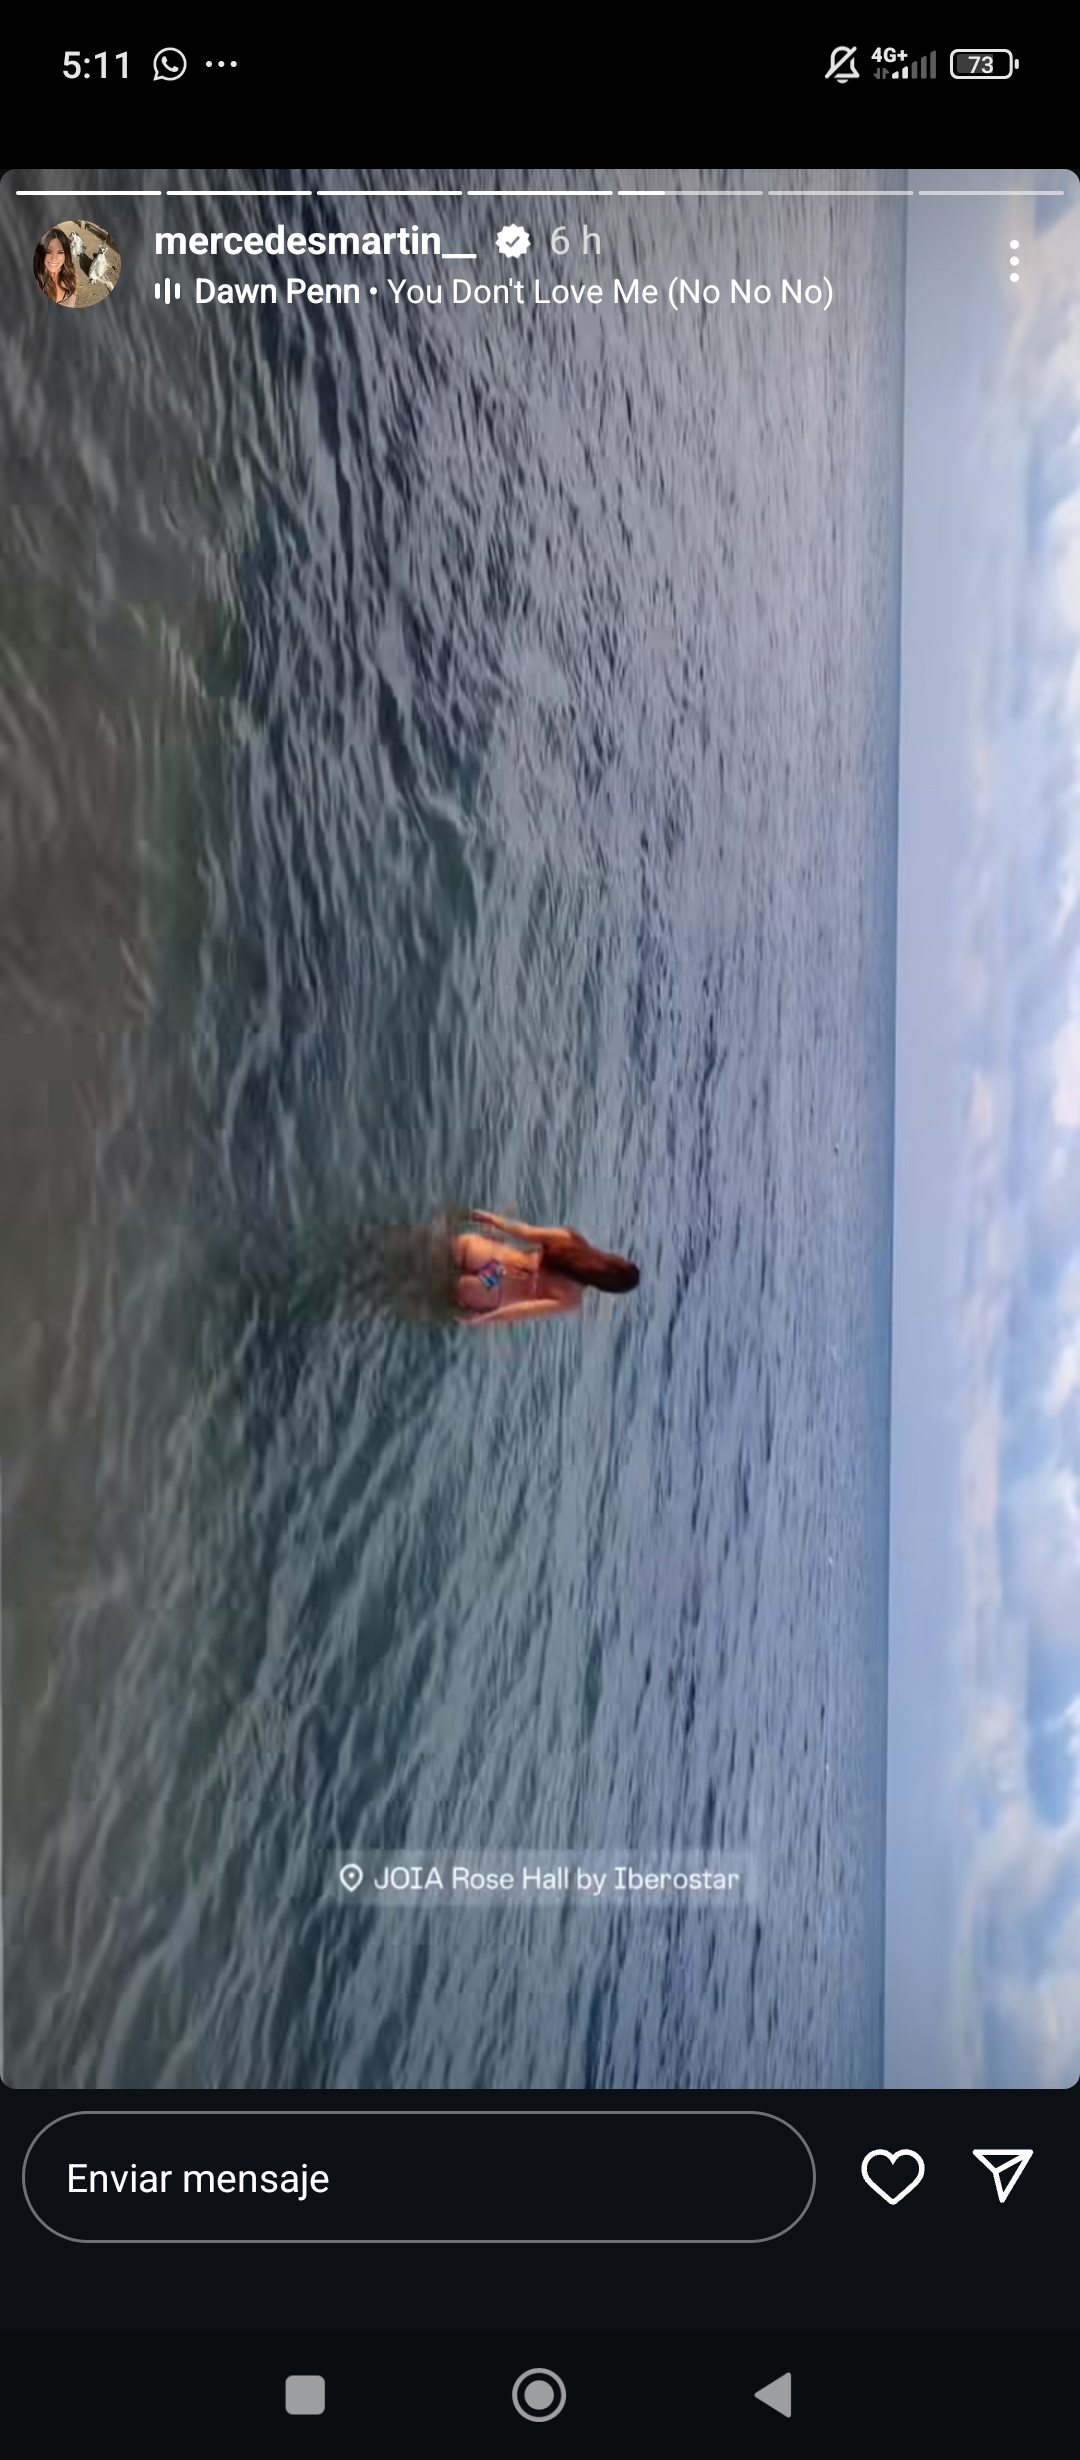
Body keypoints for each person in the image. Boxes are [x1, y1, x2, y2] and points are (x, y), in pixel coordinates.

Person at [452, 1209, 640, 1325]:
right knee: (450, 1292)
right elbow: (524, 1310)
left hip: (492, 1258)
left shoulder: (572, 1239)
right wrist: (482, 1320)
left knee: (443, 1256)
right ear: (607, 1287)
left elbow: (525, 1231)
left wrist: (493, 1219)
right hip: (491, 1288)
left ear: (612, 1258)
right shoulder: (572, 1299)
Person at [34, 229, 77, 305]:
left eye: (60, 252)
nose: (54, 259)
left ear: (66, 254)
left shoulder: (73, 279)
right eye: (48, 252)